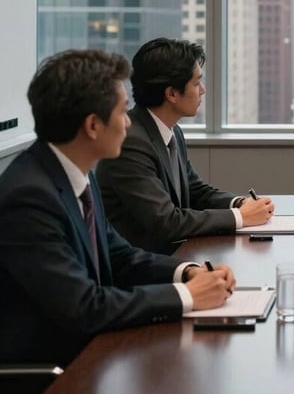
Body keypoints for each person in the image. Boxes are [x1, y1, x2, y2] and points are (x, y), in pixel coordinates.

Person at [0, 50, 235, 367]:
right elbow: (85, 308)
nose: (128, 122)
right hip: (57, 371)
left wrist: (188, 273)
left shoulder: (77, 175)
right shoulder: (29, 198)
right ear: (93, 125)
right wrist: (189, 296)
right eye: (123, 111)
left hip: (95, 353)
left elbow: (121, 257)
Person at [97, 38, 274, 253]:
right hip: (142, 268)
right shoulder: (131, 142)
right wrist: (240, 217)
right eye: (196, 82)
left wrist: (239, 203)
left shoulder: (171, 130)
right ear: (171, 93)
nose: (203, 90)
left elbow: (195, 190)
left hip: (174, 254)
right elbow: (166, 221)